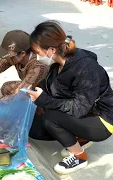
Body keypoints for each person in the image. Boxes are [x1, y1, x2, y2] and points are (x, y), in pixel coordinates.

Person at [27, 20, 113, 175]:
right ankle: (82, 138)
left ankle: (79, 156)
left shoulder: (86, 68)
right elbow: (50, 92)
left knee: (50, 119)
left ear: (51, 50)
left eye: (38, 52)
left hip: (102, 120)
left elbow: (79, 108)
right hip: (84, 112)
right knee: (34, 129)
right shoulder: (56, 66)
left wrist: (44, 100)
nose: (37, 57)